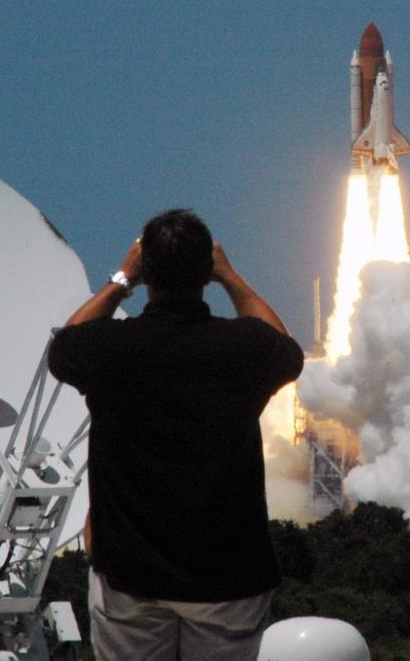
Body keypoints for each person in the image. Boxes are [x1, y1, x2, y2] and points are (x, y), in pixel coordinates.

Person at [48, 209, 304, 661]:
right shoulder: (244, 349)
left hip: (130, 576)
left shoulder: (112, 348)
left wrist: (122, 277)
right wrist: (230, 277)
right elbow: (285, 349)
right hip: (228, 578)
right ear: (205, 272)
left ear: (146, 271)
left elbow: (64, 346)